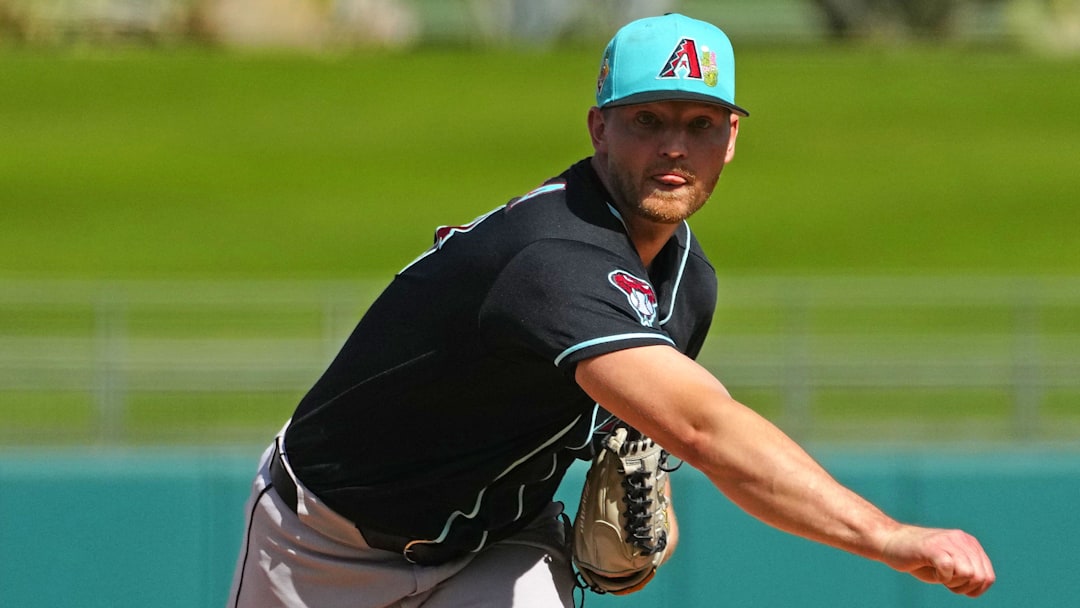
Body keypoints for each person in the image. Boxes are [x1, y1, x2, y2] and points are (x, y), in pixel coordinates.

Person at [227, 13, 995, 608]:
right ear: (599, 128)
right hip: (322, 546)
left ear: (730, 141)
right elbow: (706, 428)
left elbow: (661, 424)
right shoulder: (552, 255)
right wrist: (890, 536)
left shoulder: (688, 283)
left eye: (699, 124)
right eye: (648, 120)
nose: (674, 148)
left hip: (498, 545)